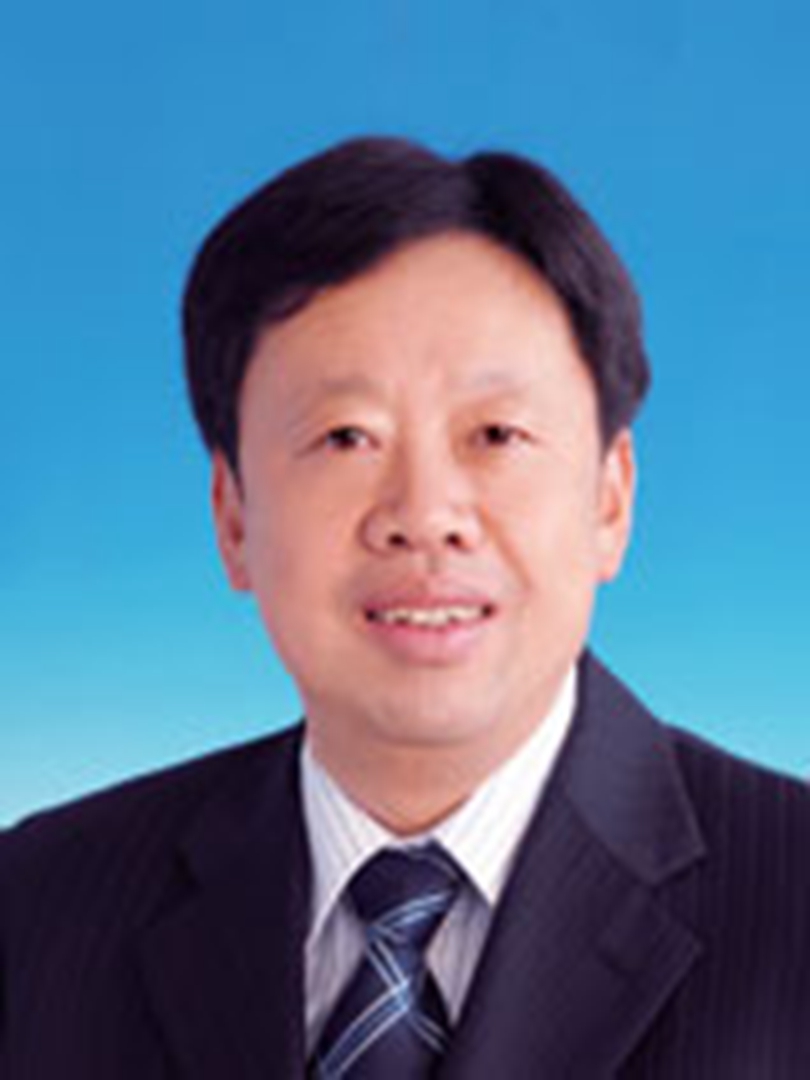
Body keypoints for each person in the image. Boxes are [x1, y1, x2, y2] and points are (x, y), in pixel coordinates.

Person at [1, 137, 808, 1078]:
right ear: (232, 517)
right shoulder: (37, 908)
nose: (425, 516)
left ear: (610, 500)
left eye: (495, 434)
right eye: (347, 437)